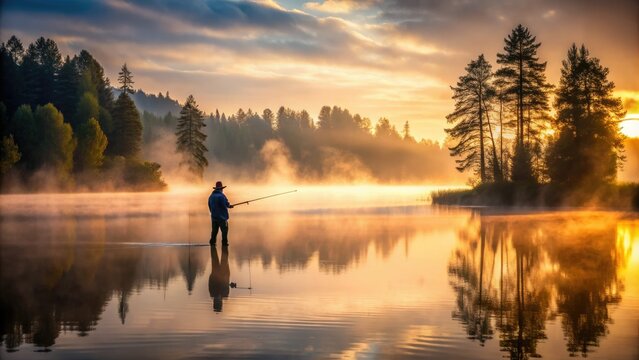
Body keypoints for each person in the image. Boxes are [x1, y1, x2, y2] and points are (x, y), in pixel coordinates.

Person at [208, 181, 233, 246]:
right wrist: (229, 206)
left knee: (214, 231)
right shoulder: (222, 196)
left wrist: (212, 213)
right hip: (222, 217)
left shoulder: (211, 196)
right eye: (222, 189)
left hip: (214, 217)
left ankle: (212, 242)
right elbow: (225, 204)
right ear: (221, 189)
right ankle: (224, 243)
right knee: (224, 231)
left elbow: (209, 206)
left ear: (216, 189)